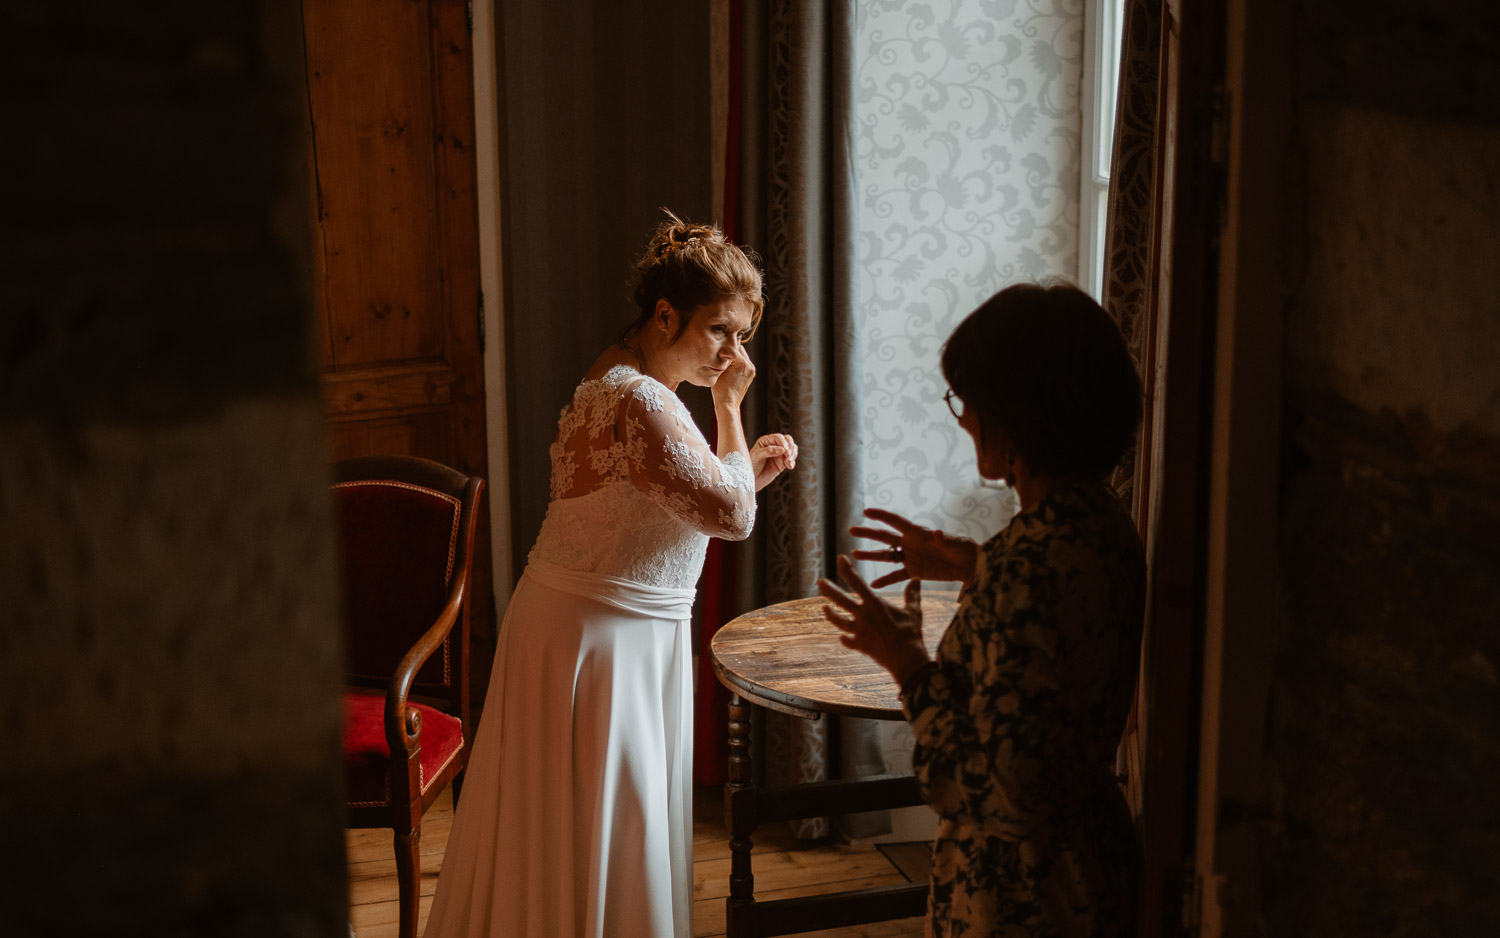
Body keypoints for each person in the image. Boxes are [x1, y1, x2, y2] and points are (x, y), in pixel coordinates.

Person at [425, 213, 797, 938]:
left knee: (570, 821)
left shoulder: (617, 372)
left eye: (743, 337)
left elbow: (668, 506)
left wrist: (744, 468)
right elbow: (730, 518)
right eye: (721, 330)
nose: (732, 353)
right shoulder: (642, 399)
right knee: (606, 816)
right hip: (604, 642)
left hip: (583, 627)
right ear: (666, 314)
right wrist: (730, 415)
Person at [818, 281, 1146, 938]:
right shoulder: (1104, 523)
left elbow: (995, 792)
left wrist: (906, 662)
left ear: (1017, 413)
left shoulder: (1027, 563)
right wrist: (971, 561)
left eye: (966, 401)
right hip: (1097, 864)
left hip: (1021, 897)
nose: (961, 416)